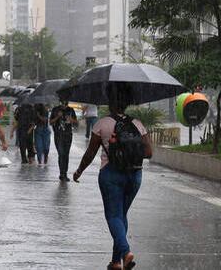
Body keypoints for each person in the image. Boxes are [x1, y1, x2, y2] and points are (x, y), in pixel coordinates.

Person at [73, 83, 153, 270]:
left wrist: (79, 171)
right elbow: (149, 152)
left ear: (110, 103)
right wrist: (130, 152)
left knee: (113, 215)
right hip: (134, 175)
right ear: (126, 103)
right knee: (121, 215)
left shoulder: (103, 123)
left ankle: (125, 252)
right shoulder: (137, 124)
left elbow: (90, 153)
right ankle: (116, 262)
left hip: (111, 174)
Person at [50, 98, 78, 181]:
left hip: (68, 135)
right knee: (61, 154)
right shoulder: (55, 110)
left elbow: (76, 123)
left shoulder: (71, 110)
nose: (63, 104)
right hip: (58, 135)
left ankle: (64, 173)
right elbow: (50, 122)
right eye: (62, 102)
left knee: (66, 155)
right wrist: (57, 117)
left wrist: (71, 119)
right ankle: (62, 173)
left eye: (65, 103)